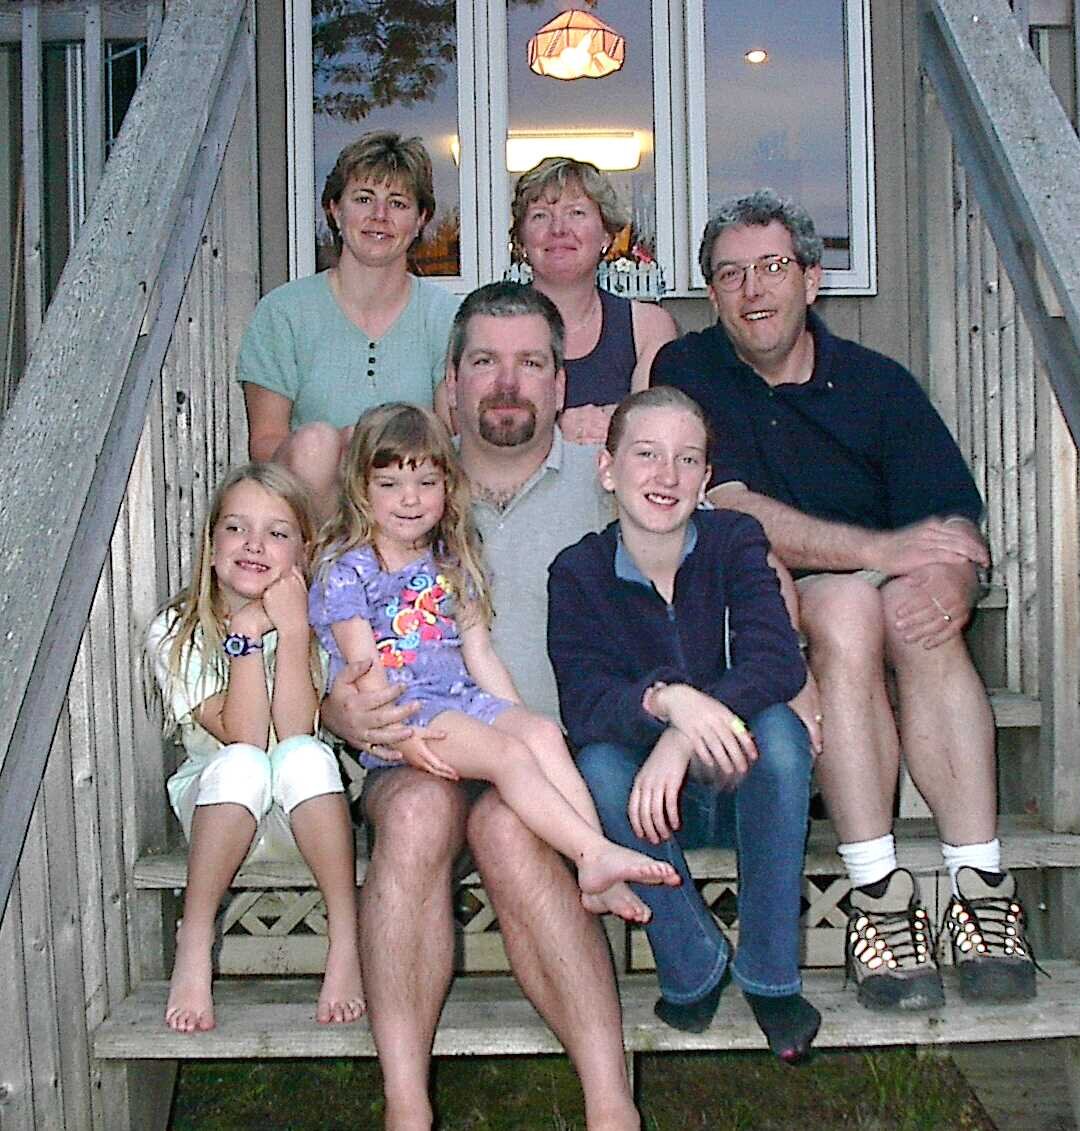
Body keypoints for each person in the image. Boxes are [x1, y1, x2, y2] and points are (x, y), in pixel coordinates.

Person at [653, 189, 1039, 1010]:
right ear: (712, 293)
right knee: (849, 608)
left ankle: (981, 884)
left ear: (811, 279)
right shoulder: (689, 372)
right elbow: (732, 508)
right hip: (755, 592)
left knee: (915, 614)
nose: (753, 289)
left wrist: (949, 581)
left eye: (771, 266)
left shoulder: (878, 383)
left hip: (876, 583)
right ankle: (879, 895)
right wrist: (882, 552)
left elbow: (951, 519)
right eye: (731, 274)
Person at [317, 283, 645, 1131]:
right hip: (413, 749)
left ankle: (611, 1107)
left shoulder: (608, 478)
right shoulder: (403, 479)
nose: (507, 381)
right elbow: (321, 628)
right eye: (485, 361)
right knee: (418, 812)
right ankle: (406, 1105)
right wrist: (337, 708)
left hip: (544, 753)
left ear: (561, 384)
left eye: (531, 362)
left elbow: (717, 546)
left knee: (507, 825)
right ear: (451, 384)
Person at [308, 401, 679, 922]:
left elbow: (479, 654)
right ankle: (591, 856)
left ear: (447, 485)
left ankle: (596, 867)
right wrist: (401, 736)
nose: (410, 499)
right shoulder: (348, 570)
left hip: (461, 700)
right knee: (509, 757)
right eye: (389, 484)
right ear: (360, 489)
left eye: (426, 483)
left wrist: (516, 715)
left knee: (541, 735)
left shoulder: (449, 559)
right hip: (406, 712)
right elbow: (363, 668)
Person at [547, 387, 821, 1063]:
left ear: (705, 480)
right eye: (646, 454)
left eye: (687, 458)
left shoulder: (734, 540)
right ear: (607, 469)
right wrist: (666, 703)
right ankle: (691, 961)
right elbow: (585, 702)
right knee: (597, 763)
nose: (666, 475)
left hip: (746, 790)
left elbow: (776, 660)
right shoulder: (578, 572)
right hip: (648, 809)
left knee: (782, 734)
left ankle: (770, 975)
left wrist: (685, 728)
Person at [145, 463, 364, 1034]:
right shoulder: (178, 630)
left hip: (302, 819)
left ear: (303, 552)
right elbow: (241, 735)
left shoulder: (319, 627)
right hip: (220, 817)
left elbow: (295, 730)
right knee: (243, 762)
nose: (254, 545)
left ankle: (346, 938)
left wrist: (291, 633)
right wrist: (243, 637)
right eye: (237, 528)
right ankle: (196, 938)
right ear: (211, 543)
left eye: (277, 532)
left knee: (305, 755)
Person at [238, 131, 460, 519]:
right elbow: (265, 444)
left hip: (411, 509)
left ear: (421, 219)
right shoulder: (282, 312)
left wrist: (379, 450)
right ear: (335, 210)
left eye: (398, 203)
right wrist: (337, 449)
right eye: (363, 199)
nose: (379, 216)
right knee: (316, 441)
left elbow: (450, 436)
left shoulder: (447, 316)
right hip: (312, 515)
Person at [509, 156, 677, 444]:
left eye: (576, 213)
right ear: (522, 241)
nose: (559, 229)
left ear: (606, 236)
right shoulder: (488, 325)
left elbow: (655, 437)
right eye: (540, 216)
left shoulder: (648, 327)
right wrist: (557, 430)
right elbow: (473, 432)